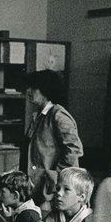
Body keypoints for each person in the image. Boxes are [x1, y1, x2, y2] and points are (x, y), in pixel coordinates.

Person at [19, 70, 83, 210]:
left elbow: (74, 149)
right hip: (36, 184)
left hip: (51, 189)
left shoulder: (58, 115)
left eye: (33, 88)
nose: (28, 91)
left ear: (45, 90)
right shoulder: (39, 115)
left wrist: (56, 176)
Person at [28, 167, 94, 222]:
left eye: (66, 189)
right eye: (58, 188)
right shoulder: (57, 214)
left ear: (81, 197)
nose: (59, 193)